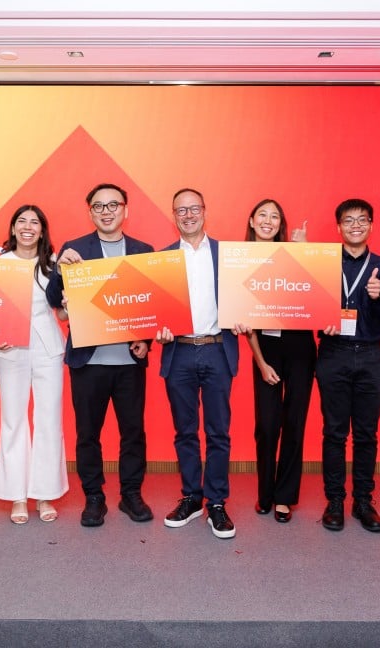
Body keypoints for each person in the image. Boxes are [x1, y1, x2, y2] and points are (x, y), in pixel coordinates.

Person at [45, 183, 155, 527]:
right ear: (90, 212)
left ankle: (131, 494)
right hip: (88, 361)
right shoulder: (75, 249)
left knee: (133, 432)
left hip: (129, 362)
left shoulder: (143, 252)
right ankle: (93, 497)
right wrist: (59, 269)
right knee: (88, 434)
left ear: (125, 210)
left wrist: (147, 340)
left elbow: (153, 303)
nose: (106, 212)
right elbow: (54, 299)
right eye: (98, 206)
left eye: (112, 205)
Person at [156, 188, 241, 539]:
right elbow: (152, 310)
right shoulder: (161, 260)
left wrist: (245, 316)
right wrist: (157, 329)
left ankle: (216, 502)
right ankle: (192, 497)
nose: (188, 215)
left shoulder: (229, 256)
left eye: (194, 209)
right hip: (179, 352)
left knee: (219, 432)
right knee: (185, 431)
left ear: (205, 211)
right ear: (173, 216)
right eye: (181, 210)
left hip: (218, 349)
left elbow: (248, 297)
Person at [317, 198, 380, 533]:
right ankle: (335, 500)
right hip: (333, 354)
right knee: (334, 432)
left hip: (370, 355)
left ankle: (363, 501)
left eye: (362, 220)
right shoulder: (323, 263)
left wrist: (379, 297)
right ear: (338, 227)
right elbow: (305, 305)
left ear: (371, 225)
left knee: (366, 433)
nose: (355, 225)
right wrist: (320, 321)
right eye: (348, 220)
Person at [0, 204, 69, 524]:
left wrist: (72, 305)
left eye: (34, 222)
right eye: (21, 221)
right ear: (12, 229)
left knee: (49, 419)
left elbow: (61, 313)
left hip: (48, 347)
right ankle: (18, 496)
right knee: (13, 419)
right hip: (10, 349)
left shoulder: (55, 264)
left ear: (42, 230)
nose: (27, 227)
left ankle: (45, 493)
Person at [243, 199, 316, 523]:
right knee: (267, 425)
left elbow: (316, 294)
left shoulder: (294, 255)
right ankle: (265, 492)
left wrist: (303, 251)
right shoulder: (241, 260)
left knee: (295, 423)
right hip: (266, 350)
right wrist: (261, 363)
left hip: (300, 348)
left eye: (275, 216)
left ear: (280, 224)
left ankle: (285, 497)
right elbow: (246, 319)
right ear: (252, 221)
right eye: (263, 215)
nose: (268, 221)